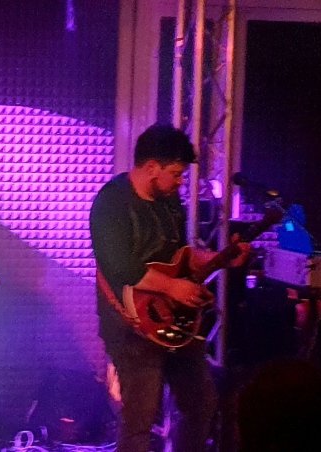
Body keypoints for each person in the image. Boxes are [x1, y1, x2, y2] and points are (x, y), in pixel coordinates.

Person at [89, 124, 249, 452]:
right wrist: (173, 287)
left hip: (174, 321)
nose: (180, 182)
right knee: (140, 419)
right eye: (175, 174)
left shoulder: (169, 201)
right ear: (152, 167)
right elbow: (119, 267)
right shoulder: (111, 202)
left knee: (202, 404)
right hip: (130, 326)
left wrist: (220, 258)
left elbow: (180, 258)